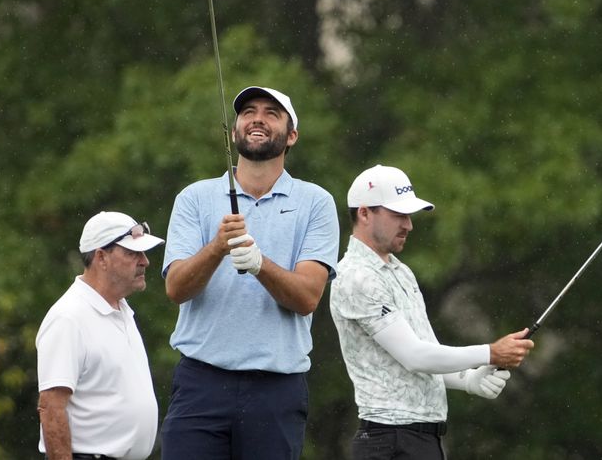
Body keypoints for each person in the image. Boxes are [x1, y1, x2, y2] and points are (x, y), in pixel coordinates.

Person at [161, 86, 340, 460]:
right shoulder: (194, 197)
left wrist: (259, 265)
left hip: (275, 390)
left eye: (272, 113)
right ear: (234, 131)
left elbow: (308, 297)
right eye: (248, 112)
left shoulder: (316, 202)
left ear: (291, 136)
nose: (257, 118)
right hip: (201, 382)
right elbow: (176, 288)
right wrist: (216, 248)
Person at [330, 165, 535, 460]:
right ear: (364, 213)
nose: (409, 225)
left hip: (420, 441)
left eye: (409, 216)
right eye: (398, 215)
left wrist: (467, 379)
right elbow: (415, 357)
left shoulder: (401, 272)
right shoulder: (356, 277)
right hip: (389, 441)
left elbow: (428, 353)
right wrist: (491, 353)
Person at [36, 211, 165, 460]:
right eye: (132, 253)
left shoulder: (122, 310)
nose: (145, 261)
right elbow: (51, 407)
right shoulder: (69, 317)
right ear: (101, 257)